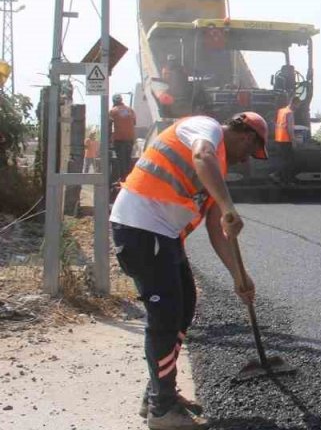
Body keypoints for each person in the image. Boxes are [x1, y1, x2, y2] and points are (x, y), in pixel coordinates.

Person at [110, 112, 269, 429]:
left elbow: (216, 230)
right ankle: (162, 410)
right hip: (140, 227)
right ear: (247, 136)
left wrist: (240, 276)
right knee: (165, 316)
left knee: (184, 307)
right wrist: (228, 206)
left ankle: (158, 393)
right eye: (250, 152)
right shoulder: (205, 129)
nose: (246, 161)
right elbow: (201, 155)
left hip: (163, 235)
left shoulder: (216, 167)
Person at [109, 94, 138, 183]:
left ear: (114, 102)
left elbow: (108, 125)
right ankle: (129, 178)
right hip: (130, 138)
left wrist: (110, 139)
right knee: (128, 158)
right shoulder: (130, 110)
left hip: (119, 139)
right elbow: (134, 123)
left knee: (120, 159)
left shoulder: (113, 111)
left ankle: (122, 179)